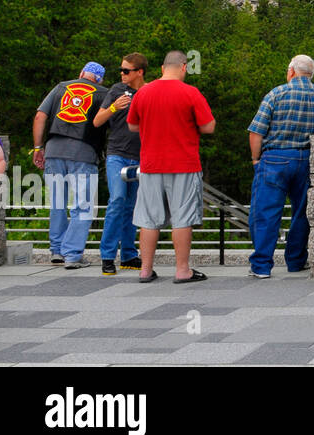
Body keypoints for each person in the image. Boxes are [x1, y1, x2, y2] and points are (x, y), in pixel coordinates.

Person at [247, 55, 314, 279]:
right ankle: (296, 261)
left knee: (266, 213)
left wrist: (255, 159)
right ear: (311, 74)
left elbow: (256, 131)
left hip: (275, 159)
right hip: (309, 161)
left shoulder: (276, 94)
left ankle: (261, 265)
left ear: (291, 72)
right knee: (302, 213)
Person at [126, 51, 215, 283]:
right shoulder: (190, 92)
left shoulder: (143, 92)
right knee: (182, 218)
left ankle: (145, 269)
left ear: (163, 68)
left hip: (150, 164)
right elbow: (208, 127)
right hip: (184, 164)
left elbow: (132, 126)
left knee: (148, 218)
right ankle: (182, 270)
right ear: (184, 67)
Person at [32, 62, 109, 268]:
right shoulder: (104, 93)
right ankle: (73, 255)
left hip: (54, 150)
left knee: (57, 203)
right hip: (84, 153)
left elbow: (40, 116)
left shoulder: (61, 87)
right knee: (82, 205)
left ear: (82, 73)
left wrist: (38, 147)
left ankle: (57, 251)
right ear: (99, 79)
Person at [92, 54, 147, 275]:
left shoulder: (148, 92)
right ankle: (107, 256)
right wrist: (114, 107)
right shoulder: (116, 90)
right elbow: (97, 121)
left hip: (141, 156)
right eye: (121, 70)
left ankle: (128, 254)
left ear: (139, 72)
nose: (122, 74)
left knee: (132, 206)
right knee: (117, 199)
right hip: (117, 155)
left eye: (126, 71)